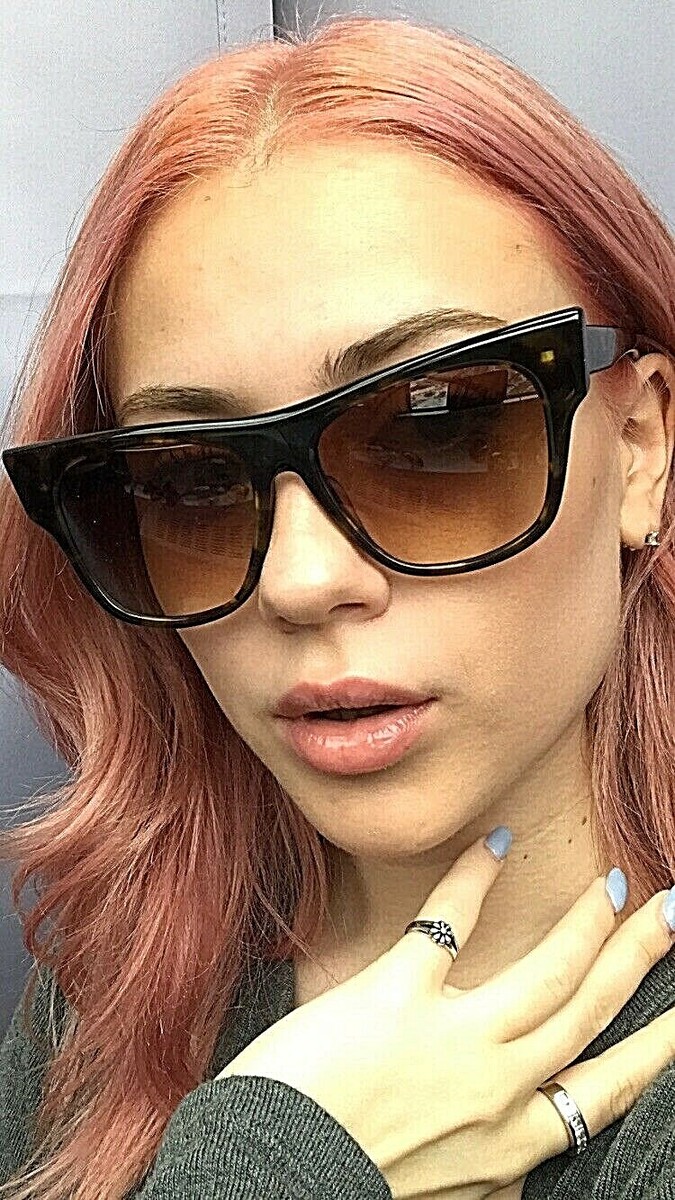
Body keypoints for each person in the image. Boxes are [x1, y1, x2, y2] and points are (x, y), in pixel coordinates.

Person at [0, 11, 674, 1200]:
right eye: (190, 480)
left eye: (436, 428)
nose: (301, 582)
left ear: (639, 448)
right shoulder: (125, 966)